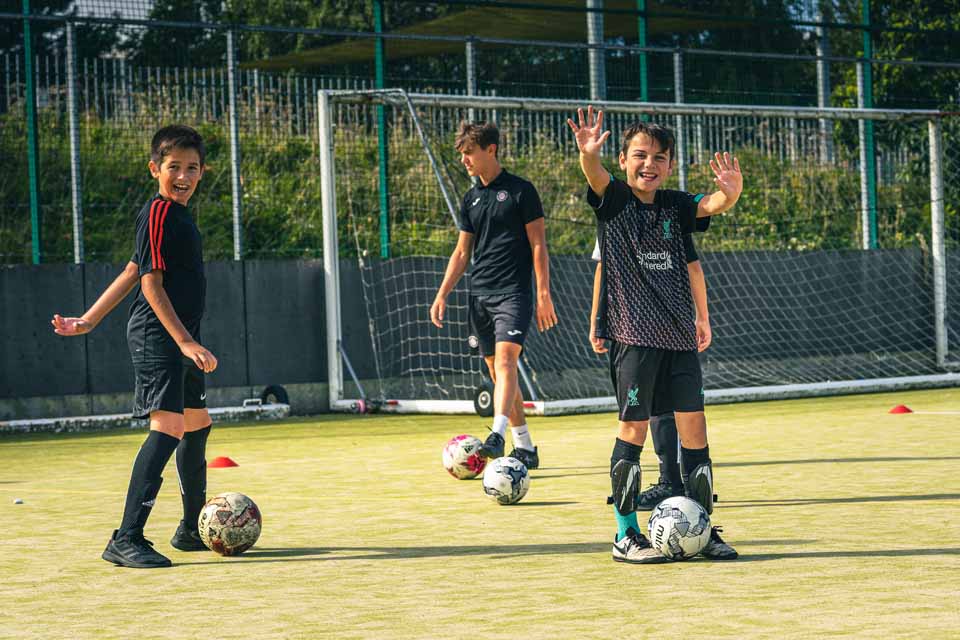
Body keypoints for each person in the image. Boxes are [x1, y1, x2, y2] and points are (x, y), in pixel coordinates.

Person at [568, 106, 741, 563]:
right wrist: (589, 154)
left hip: (680, 336)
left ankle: (702, 527)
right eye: (640, 156)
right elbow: (596, 177)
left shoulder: (675, 206)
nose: (651, 164)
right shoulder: (616, 201)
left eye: (660, 157)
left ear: (669, 165)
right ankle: (625, 534)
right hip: (634, 335)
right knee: (634, 429)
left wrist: (731, 194)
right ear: (624, 160)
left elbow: (710, 206)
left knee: (695, 430)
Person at [52, 125, 217, 568]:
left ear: (202, 172)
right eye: (173, 167)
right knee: (168, 426)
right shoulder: (158, 212)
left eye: (192, 168)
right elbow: (149, 282)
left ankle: (189, 529)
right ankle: (125, 538)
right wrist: (183, 340)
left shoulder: (177, 216)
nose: (183, 175)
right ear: (154, 169)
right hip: (160, 338)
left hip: (181, 339)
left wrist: (89, 319)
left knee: (197, 423)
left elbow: (130, 268)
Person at [430, 121, 558, 470]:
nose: (464, 160)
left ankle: (497, 435)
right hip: (479, 297)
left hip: (513, 294)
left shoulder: (521, 191)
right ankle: (526, 447)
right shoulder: (470, 198)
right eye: (461, 154)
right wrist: (442, 294)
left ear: (491, 149)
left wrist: (543, 293)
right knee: (500, 373)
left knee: (505, 364)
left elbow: (538, 244)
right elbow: (461, 253)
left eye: (469, 152)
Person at [588, 227, 712, 510]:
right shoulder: (615, 216)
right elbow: (602, 269)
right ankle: (629, 526)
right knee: (639, 419)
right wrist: (597, 319)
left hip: (675, 331)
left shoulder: (672, 212)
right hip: (632, 333)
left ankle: (678, 489)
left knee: (687, 418)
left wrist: (702, 316)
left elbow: (693, 266)